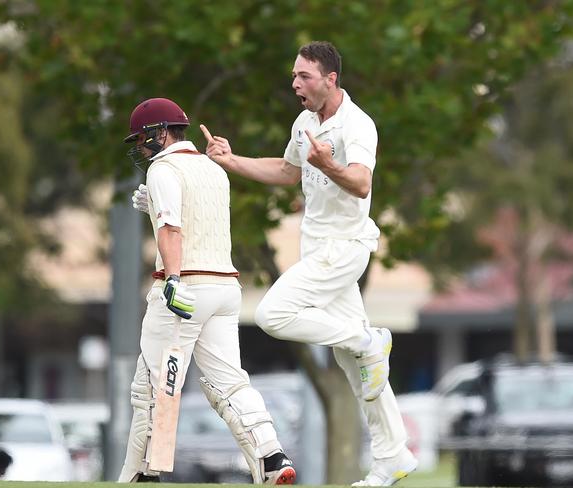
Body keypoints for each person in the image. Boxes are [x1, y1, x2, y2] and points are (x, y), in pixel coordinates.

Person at [200, 41, 418, 486]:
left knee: (271, 315)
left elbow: (359, 183)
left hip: (344, 247)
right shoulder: (304, 122)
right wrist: (229, 160)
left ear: (330, 79)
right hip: (317, 249)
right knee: (357, 368)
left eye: (304, 76)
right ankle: (393, 455)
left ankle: (367, 338)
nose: (295, 83)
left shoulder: (358, 125)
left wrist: (329, 163)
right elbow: (286, 171)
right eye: (295, 75)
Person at [119, 97, 295, 484]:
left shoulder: (163, 169)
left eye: (142, 139)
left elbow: (172, 230)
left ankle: (142, 475)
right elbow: (196, 217)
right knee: (229, 382)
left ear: (158, 132)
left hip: (186, 288)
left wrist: (173, 281)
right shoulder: (214, 170)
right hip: (225, 288)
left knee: (154, 387)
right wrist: (155, 205)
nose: (139, 148)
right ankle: (271, 458)